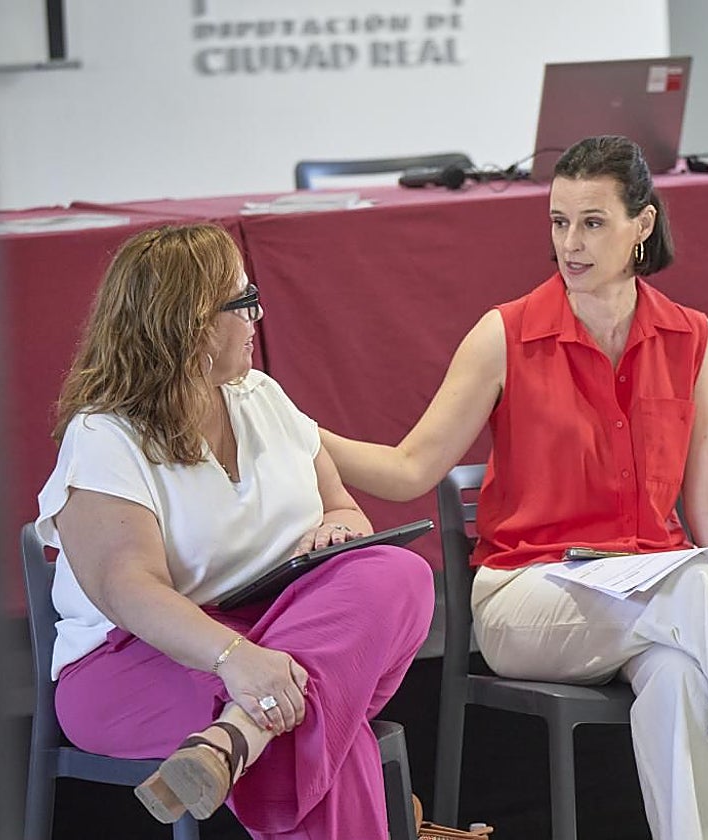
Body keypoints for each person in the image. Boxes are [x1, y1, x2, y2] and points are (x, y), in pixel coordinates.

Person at [321, 135, 708, 840]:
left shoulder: (694, 340)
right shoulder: (504, 335)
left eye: (593, 221)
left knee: (679, 676)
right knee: (697, 589)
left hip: (651, 598)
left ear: (644, 225)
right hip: (527, 598)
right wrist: (296, 431)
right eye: (558, 220)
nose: (570, 242)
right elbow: (410, 468)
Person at [37, 223, 434, 838]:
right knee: (316, 726)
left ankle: (233, 741)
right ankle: (270, 738)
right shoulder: (103, 435)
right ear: (193, 324)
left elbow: (344, 509)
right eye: (244, 302)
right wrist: (234, 658)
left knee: (398, 571)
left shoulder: (261, 396)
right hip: (133, 661)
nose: (258, 315)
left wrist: (336, 530)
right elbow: (127, 588)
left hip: (272, 638)